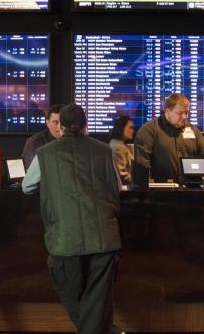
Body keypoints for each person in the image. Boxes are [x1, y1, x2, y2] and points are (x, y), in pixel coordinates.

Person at [22, 104, 122, 334]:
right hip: (104, 236)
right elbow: (117, 187)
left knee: (72, 293)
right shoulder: (104, 150)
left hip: (64, 238)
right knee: (98, 299)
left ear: (62, 126)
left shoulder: (45, 153)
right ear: (86, 125)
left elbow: (27, 187)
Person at [132, 94, 204, 187]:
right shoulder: (149, 131)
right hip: (160, 192)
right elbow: (143, 166)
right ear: (167, 112)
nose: (184, 117)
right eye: (180, 113)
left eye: (186, 113)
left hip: (190, 191)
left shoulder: (193, 130)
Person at [21, 104, 63, 168]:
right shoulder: (34, 142)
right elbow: (29, 171)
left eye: (63, 123)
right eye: (55, 122)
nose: (59, 127)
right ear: (47, 123)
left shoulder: (76, 141)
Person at [109, 115, 135, 187]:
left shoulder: (119, 144)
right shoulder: (118, 147)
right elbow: (122, 175)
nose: (132, 131)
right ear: (121, 127)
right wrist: (138, 181)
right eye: (130, 128)